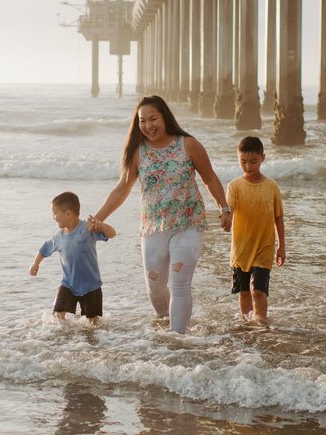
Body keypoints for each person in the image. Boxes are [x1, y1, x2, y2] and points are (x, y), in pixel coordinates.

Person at [87, 95, 231, 334]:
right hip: (153, 226)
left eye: (153, 119)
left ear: (165, 117)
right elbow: (123, 188)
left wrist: (224, 208)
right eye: (142, 121)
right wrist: (99, 218)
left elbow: (209, 177)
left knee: (180, 284)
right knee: (154, 286)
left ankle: (177, 338)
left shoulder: (188, 144)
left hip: (189, 224)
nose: (148, 126)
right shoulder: (138, 152)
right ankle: (167, 322)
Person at [226, 136, 286, 323]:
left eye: (253, 162)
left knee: (258, 291)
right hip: (241, 249)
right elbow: (229, 210)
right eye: (243, 162)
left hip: (264, 247)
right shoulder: (234, 186)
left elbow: (278, 217)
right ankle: (247, 324)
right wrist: (226, 219)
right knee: (244, 293)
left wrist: (282, 246)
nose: (248, 166)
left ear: (263, 158)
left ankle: (260, 324)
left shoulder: (271, 187)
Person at [30, 191, 115, 323]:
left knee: (93, 322)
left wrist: (102, 225)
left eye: (55, 213)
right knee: (58, 316)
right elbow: (44, 249)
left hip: (90, 285)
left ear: (68, 214)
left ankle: (93, 342)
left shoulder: (87, 230)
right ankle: (65, 340)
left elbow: (112, 234)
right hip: (68, 283)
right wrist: (36, 264)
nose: (53, 217)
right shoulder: (59, 237)